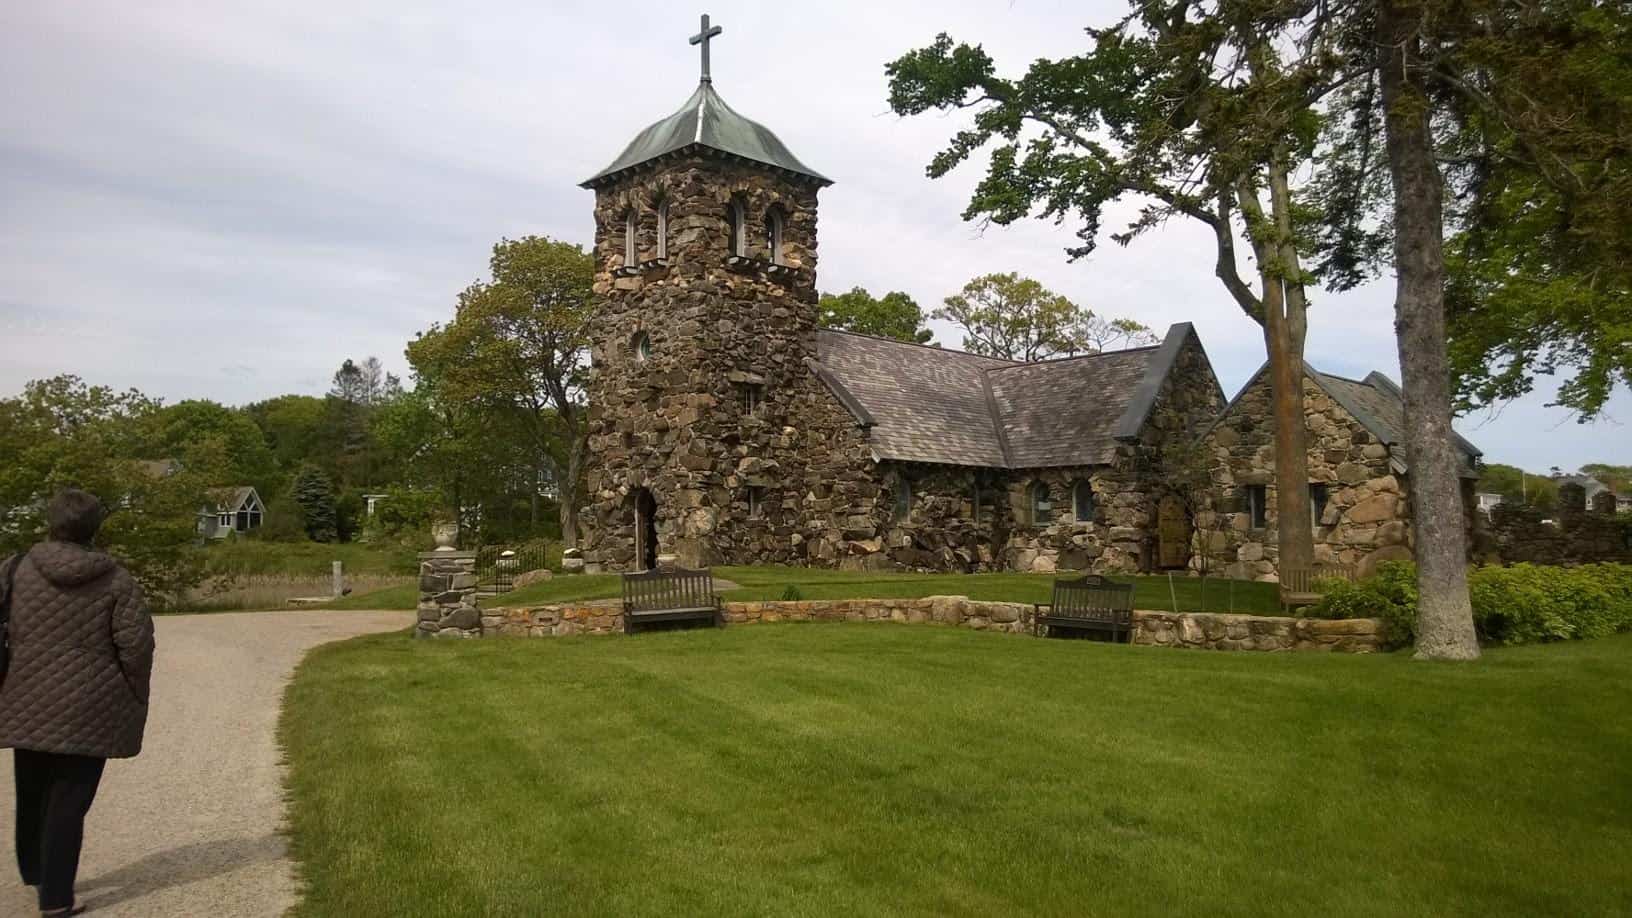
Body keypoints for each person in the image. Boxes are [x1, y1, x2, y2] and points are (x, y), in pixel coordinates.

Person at [0, 489, 155, 916]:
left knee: (31, 791)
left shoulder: (14, 570)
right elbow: (136, 647)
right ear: (94, 529)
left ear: (51, 522)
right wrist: (134, 692)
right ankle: (55, 898)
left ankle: (35, 873)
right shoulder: (116, 580)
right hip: (91, 704)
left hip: (24, 696)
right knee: (69, 802)